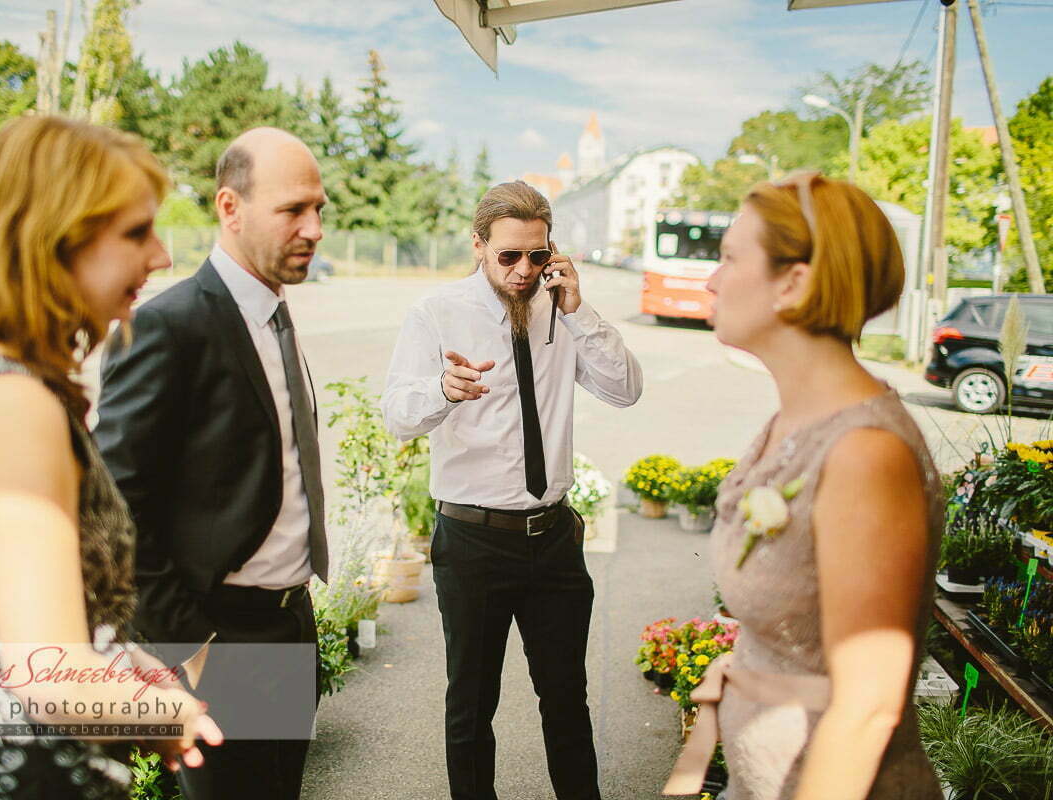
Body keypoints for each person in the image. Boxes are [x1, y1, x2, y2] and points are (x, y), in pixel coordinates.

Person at [0, 115, 221, 800]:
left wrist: (126, 663)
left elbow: (2, 618)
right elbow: (53, 676)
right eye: (135, 233)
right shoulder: (11, 403)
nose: (161, 257)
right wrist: (171, 713)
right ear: (51, 242)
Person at [662, 172, 943, 800]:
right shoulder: (793, 420)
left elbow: (869, 705)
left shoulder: (866, 454)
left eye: (730, 257)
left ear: (793, 283)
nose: (710, 279)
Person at [382, 181, 643, 800]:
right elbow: (396, 413)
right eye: (509, 256)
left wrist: (580, 309)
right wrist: (443, 392)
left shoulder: (563, 309)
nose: (524, 270)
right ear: (478, 246)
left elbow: (625, 388)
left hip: (553, 539)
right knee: (471, 705)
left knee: (566, 699)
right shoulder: (437, 314)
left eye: (538, 254)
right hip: (473, 541)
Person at [94, 127, 330, 800]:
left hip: (291, 624)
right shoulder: (171, 325)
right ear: (230, 208)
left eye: (320, 209)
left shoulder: (275, 315)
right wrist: (192, 649)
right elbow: (115, 507)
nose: (313, 228)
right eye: (293, 210)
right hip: (221, 640)